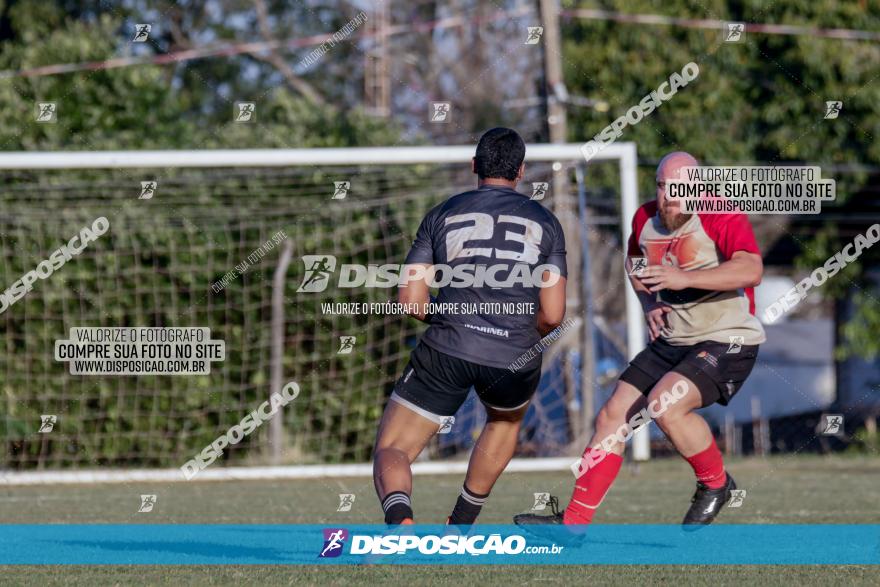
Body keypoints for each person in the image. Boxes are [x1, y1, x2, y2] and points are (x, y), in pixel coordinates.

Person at [515, 151, 765, 529]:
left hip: (727, 338)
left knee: (665, 404)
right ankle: (573, 525)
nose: (669, 196)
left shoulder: (720, 214)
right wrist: (649, 304)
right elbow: (634, 264)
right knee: (611, 416)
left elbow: (751, 268)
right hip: (674, 339)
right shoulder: (645, 219)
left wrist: (685, 279)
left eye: (680, 188)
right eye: (663, 186)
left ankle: (716, 484)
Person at [373, 127, 568, 525]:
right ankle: (459, 527)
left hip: (449, 346)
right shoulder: (546, 222)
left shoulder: (443, 212)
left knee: (392, 447)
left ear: (474, 166)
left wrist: (454, 318)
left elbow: (410, 298)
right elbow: (552, 314)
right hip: (514, 354)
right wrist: (515, 332)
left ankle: (402, 525)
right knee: (504, 421)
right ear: (521, 171)